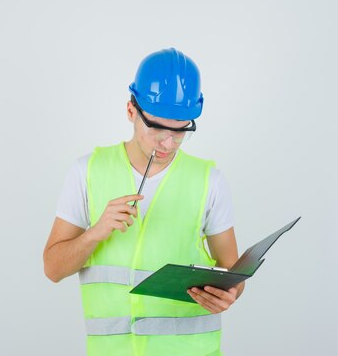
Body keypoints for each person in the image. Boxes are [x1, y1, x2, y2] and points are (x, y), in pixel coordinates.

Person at [43, 48, 244, 356]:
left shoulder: (209, 180)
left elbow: (232, 271)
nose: (167, 143)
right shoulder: (87, 171)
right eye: (156, 127)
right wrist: (96, 232)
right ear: (130, 111)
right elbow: (53, 269)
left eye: (180, 132)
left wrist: (231, 293)